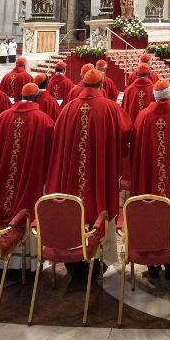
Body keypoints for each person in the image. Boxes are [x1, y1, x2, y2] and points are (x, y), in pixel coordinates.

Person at [46, 69, 125, 279]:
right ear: (101, 85)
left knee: (73, 210)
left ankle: (73, 262)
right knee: (98, 206)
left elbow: (57, 137)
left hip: (71, 176)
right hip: (98, 174)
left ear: (83, 84)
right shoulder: (109, 107)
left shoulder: (69, 108)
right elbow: (126, 131)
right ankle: (98, 259)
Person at [127, 80, 170, 240]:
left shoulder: (143, 116)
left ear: (154, 95)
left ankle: (151, 253)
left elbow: (136, 153)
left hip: (149, 179)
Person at [0, 83, 53, 223]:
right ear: (37, 97)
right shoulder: (42, 119)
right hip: (28, 170)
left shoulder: (4, 116)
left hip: (4, 166)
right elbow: (49, 147)